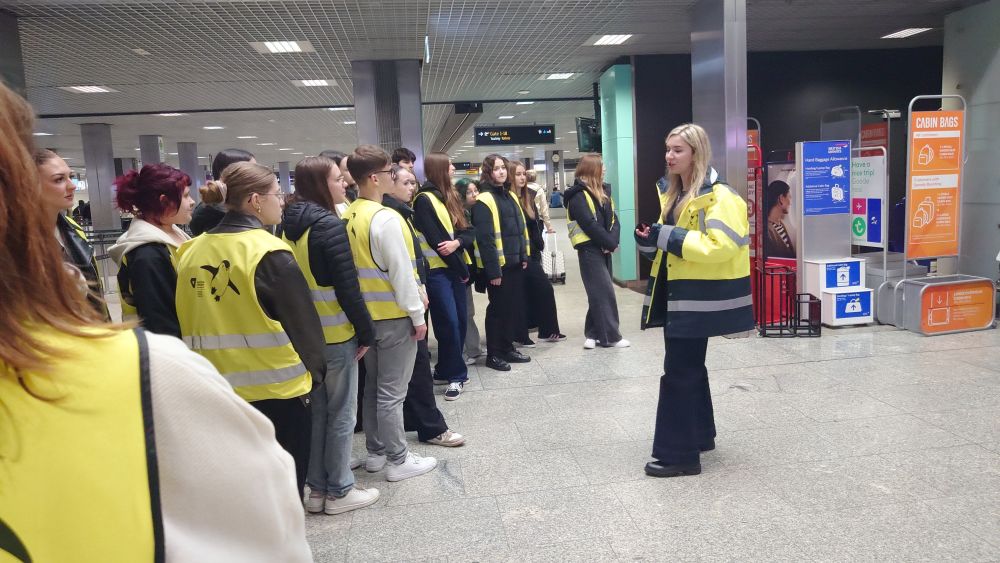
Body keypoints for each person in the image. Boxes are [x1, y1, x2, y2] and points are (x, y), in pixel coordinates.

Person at [0, 80, 312, 563]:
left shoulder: (176, 245)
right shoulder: (149, 268)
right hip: (214, 374)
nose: (192, 203)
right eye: (183, 196)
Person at [175, 161, 327, 495]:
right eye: (277, 193)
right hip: (277, 393)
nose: (282, 200)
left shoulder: (189, 251)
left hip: (215, 389)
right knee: (284, 489)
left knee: (238, 490)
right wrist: (316, 376)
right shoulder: (268, 252)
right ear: (256, 201)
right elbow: (305, 328)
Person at [634, 123, 754, 478]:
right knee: (690, 369)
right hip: (680, 296)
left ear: (696, 153)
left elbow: (721, 247)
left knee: (679, 373)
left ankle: (679, 456)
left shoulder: (722, 197)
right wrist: (650, 240)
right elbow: (670, 245)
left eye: (678, 150)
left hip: (698, 299)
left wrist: (667, 236)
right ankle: (699, 436)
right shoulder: (674, 194)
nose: (669, 156)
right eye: (668, 149)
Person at [279, 156, 381, 515]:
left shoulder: (285, 227)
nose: (344, 184)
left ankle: (317, 489)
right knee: (341, 414)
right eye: (338, 179)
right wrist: (366, 332)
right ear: (321, 185)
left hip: (304, 337)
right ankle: (339, 490)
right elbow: (348, 290)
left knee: (319, 412)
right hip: (336, 333)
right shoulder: (328, 226)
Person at [342, 145, 438, 482]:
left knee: (373, 388)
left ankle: (376, 452)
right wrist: (417, 316)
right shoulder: (384, 218)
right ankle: (398, 459)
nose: (392, 176)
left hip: (365, 318)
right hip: (394, 316)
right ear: (374, 177)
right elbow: (401, 272)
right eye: (388, 172)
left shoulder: (349, 215)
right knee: (392, 392)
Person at [381, 164, 467, 442]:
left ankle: (383, 445)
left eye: (413, 182)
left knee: (395, 379)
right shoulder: (391, 216)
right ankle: (421, 432)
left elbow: (466, 231)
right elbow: (402, 266)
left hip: (409, 296)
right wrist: (418, 312)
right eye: (405, 182)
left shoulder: (403, 212)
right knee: (407, 373)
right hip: (399, 305)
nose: (411, 187)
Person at [109, 163, 195, 337]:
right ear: (164, 201)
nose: (192, 202)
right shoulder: (148, 254)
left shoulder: (172, 233)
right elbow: (160, 323)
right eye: (186, 196)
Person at [413, 152, 474, 399]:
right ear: (439, 168)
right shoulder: (424, 200)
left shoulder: (451, 196)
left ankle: (446, 369)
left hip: (455, 270)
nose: (453, 168)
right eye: (449, 165)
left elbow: (468, 232)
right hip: (437, 272)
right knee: (448, 322)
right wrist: (461, 269)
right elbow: (437, 241)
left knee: (459, 321)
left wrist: (458, 243)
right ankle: (457, 376)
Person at [472, 154, 532, 371]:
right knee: (497, 310)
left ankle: (507, 348)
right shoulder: (484, 200)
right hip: (499, 267)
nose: (501, 172)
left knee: (511, 308)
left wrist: (524, 256)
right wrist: (493, 271)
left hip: (515, 263)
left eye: (503, 168)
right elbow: (485, 239)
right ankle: (494, 354)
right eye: (496, 168)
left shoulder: (510, 196)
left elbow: (520, 229)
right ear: (488, 172)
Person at [36, 148, 110, 320]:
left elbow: (94, 295)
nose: (72, 185)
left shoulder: (72, 228)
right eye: (59, 179)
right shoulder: (13, 241)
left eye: (70, 176)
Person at [565, 154, 628, 349]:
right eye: (602, 166)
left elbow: (614, 220)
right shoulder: (577, 196)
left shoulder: (604, 192)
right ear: (592, 169)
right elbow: (589, 224)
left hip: (603, 248)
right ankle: (611, 337)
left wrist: (611, 242)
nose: (605, 169)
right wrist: (609, 243)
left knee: (598, 292)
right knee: (604, 291)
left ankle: (593, 334)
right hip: (588, 250)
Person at [508, 160, 565, 345]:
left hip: (532, 252)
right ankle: (520, 333)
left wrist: (539, 242)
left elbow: (536, 222)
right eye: (517, 174)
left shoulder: (529, 196)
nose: (522, 177)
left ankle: (548, 330)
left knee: (544, 289)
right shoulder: (507, 199)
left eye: (523, 174)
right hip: (515, 254)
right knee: (520, 294)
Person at [455, 177, 486, 364]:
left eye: (476, 190)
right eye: (469, 192)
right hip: (461, 269)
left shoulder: (475, 211)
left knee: (468, 310)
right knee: (466, 311)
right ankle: (471, 349)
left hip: (470, 268)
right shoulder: (458, 214)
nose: (475, 195)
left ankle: (473, 347)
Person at [189, 148, 255, 236]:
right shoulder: (213, 211)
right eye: (252, 171)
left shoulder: (237, 203)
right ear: (230, 173)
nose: (258, 175)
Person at [764, 180, 795, 259]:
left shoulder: (781, 225)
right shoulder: (767, 231)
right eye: (789, 197)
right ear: (781, 199)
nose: (790, 202)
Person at [528, 169, 555, 233]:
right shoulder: (539, 189)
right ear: (535, 178)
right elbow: (544, 209)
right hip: (537, 219)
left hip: (524, 220)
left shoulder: (521, 189)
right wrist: (548, 226)